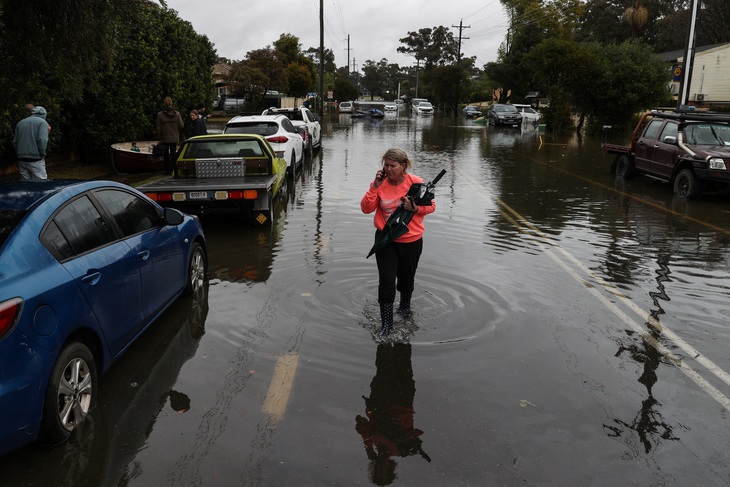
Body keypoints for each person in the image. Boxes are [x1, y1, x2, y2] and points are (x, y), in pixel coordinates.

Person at [360, 148, 436, 337]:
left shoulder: (416, 183)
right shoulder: (380, 184)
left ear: (403, 166)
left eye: (392, 165)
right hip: (386, 240)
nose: (388, 169)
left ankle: (404, 309)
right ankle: (387, 324)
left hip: (411, 240)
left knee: (406, 278)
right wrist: (375, 186)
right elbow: (366, 208)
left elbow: (431, 206)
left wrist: (415, 208)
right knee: (386, 281)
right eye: (385, 165)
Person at [13, 105, 50, 180]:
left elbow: (15, 142)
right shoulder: (42, 122)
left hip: (21, 158)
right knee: (41, 185)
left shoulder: (20, 123)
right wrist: (42, 154)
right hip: (36, 158)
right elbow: (42, 140)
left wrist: (19, 153)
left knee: (26, 185)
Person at [156, 96, 184, 174]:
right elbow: (181, 125)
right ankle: (173, 169)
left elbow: (158, 128)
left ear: (164, 104)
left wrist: (159, 139)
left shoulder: (160, 115)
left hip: (164, 138)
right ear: (172, 104)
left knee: (165, 156)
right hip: (174, 138)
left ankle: (167, 170)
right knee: (173, 155)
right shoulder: (177, 114)